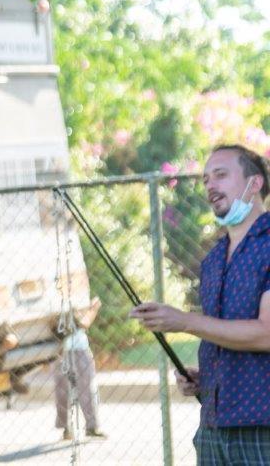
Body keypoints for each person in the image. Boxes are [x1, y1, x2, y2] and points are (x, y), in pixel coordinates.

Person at [130, 144, 270, 465]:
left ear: (255, 183)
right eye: (206, 179)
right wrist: (206, 378)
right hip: (212, 429)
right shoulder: (213, 260)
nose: (210, 185)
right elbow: (224, 334)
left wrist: (184, 321)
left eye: (221, 175)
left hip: (262, 430)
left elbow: (266, 333)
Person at [53, 296, 105, 441]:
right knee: (63, 391)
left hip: (78, 350)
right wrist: (93, 309)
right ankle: (67, 428)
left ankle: (90, 426)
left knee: (85, 390)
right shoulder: (56, 301)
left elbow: (81, 324)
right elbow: (83, 323)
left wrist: (91, 309)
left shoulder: (74, 298)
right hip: (62, 352)